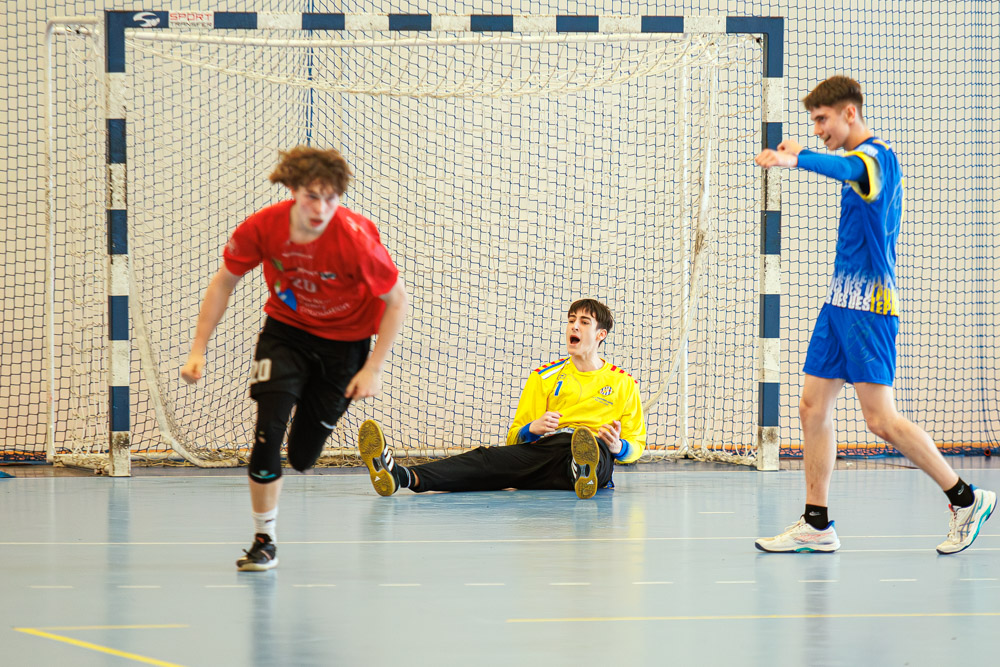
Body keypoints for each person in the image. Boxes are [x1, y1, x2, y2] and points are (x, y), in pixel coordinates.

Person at [753, 76, 995, 554]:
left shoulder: (877, 159)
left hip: (871, 310)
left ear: (850, 113)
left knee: (881, 421)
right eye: (813, 122)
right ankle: (816, 523)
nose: (818, 129)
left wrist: (797, 158)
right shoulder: (856, 159)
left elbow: (849, 169)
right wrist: (806, 152)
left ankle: (966, 498)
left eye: (823, 119)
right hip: (838, 305)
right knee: (811, 408)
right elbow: (845, 166)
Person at [181, 146, 408, 570]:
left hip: (346, 345)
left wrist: (372, 368)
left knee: (302, 457)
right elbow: (224, 283)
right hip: (287, 333)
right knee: (267, 432)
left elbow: (396, 301)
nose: (320, 208)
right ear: (292, 191)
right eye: (311, 197)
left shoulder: (357, 240)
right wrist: (198, 350)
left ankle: (309, 405)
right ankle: (264, 539)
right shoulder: (263, 227)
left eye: (330, 198)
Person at [357, 298, 646, 500]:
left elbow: (637, 445)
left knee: (594, 449)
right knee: (487, 460)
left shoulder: (623, 382)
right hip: (546, 452)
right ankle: (401, 476)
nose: (574, 327)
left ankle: (582, 470)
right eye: (571, 321)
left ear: (600, 334)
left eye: (584, 322)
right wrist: (532, 428)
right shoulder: (544, 376)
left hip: (596, 450)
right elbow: (515, 438)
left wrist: (618, 446)